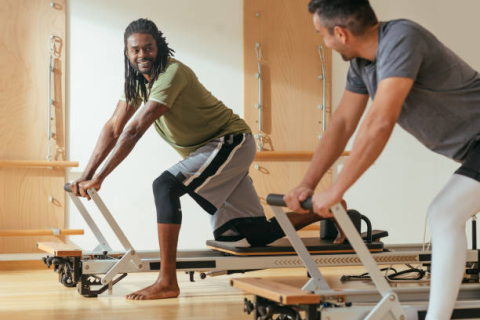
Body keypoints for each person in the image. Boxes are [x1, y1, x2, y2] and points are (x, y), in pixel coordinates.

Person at [69, 18, 331, 300]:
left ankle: (167, 281)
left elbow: (134, 129)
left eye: (148, 48)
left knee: (165, 186)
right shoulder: (136, 83)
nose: (142, 55)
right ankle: (323, 210)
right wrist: (87, 173)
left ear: (159, 47)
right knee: (251, 236)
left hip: (230, 142)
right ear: (126, 52)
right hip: (212, 153)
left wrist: (100, 177)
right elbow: (114, 126)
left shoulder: (171, 73)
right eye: (135, 50)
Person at [284, 1, 480, 319]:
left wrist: (336, 190)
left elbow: (380, 121)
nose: (324, 42)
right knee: (446, 212)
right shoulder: (363, 65)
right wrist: (309, 182)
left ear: (340, 33)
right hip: (474, 149)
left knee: (445, 213)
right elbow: (342, 124)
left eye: (321, 35)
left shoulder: (402, 38)